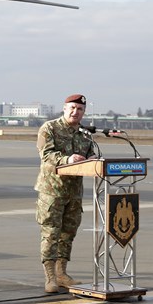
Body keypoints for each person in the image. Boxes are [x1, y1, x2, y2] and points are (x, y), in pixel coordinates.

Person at [34, 93, 96, 293]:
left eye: (80, 109)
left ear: (83, 112)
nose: (75, 112)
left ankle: (62, 273)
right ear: (64, 108)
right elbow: (46, 155)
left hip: (74, 192)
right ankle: (50, 277)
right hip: (52, 191)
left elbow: (91, 156)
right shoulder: (50, 128)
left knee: (68, 233)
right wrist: (67, 159)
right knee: (51, 233)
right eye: (72, 108)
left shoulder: (85, 134)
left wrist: (95, 161)